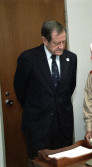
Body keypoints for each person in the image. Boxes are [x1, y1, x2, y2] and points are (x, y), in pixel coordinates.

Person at [14, 20, 77, 159]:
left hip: (63, 126)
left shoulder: (71, 58)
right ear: (44, 40)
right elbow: (20, 90)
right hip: (38, 127)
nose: (61, 47)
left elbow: (69, 88)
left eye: (63, 42)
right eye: (56, 43)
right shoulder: (28, 58)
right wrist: (39, 108)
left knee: (64, 162)